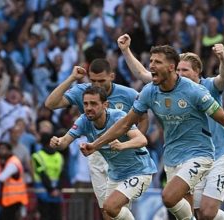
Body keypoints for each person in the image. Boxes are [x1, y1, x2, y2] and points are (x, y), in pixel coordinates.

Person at [81, 45, 224, 220]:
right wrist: (95, 145)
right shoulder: (150, 91)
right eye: (151, 61)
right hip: (172, 156)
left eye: (157, 62)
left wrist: (222, 57)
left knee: (170, 197)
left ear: (171, 67)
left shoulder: (195, 90)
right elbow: (125, 124)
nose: (152, 65)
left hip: (200, 154)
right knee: (191, 211)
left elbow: (223, 118)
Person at [44, 58, 148, 211]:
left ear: (111, 77)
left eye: (101, 81)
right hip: (97, 153)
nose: (97, 85)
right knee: (107, 209)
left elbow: (143, 118)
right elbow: (51, 104)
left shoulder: (129, 94)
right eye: (93, 81)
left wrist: (132, 144)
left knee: (120, 206)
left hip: (123, 152)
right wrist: (72, 78)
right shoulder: (83, 92)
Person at [50, 86, 156, 219]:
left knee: (111, 206)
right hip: (115, 175)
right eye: (86, 103)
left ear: (105, 105)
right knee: (109, 214)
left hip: (139, 171)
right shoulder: (83, 121)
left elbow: (141, 140)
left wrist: (122, 145)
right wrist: (57, 142)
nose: (88, 108)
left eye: (93, 103)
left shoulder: (119, 116)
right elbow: (64, 142)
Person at [31, 133, 64, 220]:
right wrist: (56, 189)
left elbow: (43, 174)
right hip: (52, 194)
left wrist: (52, 190)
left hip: (46, 193)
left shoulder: (37, 156)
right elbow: (62, 176)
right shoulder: (59, 156)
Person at [0, 142, 29, 220]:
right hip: (12, 199)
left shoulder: (13, 163)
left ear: (9, 151)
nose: (1, 152)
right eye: (0, 149)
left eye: (3, 149)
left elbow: (1, 178)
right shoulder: (10, 161)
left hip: (14, 200)